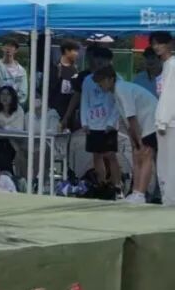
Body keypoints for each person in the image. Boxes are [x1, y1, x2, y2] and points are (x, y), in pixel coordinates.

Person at [94, 65, 157, 205]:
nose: (100, 85)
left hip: (151, 122)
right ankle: (135, 192)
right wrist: (134, 141)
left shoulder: (122, 89)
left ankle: (141, 194)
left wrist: (138, 140)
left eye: (101, 81)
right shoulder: (116, 92)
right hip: (143, 124)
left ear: (111, 79)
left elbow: (131, 117)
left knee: (145, 155)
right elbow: (126, 120)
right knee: (136, 156)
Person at [79, 47, 120, 194]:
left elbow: (118, 104)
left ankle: (117, 186)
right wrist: (84, 122)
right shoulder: (88, 80)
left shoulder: (117, 79)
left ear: (110, 61)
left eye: (104, 59)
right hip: (93, 124)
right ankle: (101, 185)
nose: (100, 62)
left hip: (108, 125)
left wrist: (111, 122)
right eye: (97, 58)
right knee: (96, 155)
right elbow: (84, 101)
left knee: (110, 155)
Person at [150, 31, 175, 205]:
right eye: (154, 44)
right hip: (165, 120)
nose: (157, 47)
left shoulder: (172, 65)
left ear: (170, 44)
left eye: (160, 43)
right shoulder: (167, 64)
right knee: (165, 162)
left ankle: (170, 198)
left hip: (169, 122)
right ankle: (168, 197)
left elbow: (169, 94)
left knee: (168, 162)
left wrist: (163, 121)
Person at [48, 39, 81, 127]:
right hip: (55, 110)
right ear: (67, 51)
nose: (77, 54)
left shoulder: (75, 69)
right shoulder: (55, 67)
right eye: (75, 51)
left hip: (70, 111)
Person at [0, 38, 29, 108]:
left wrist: (12, 102)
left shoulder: (21, 71)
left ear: (16, 50)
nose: (8, 48)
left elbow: (23, 93)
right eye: (6, 46)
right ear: (2, 48)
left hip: (16, 107)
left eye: (11, 46)